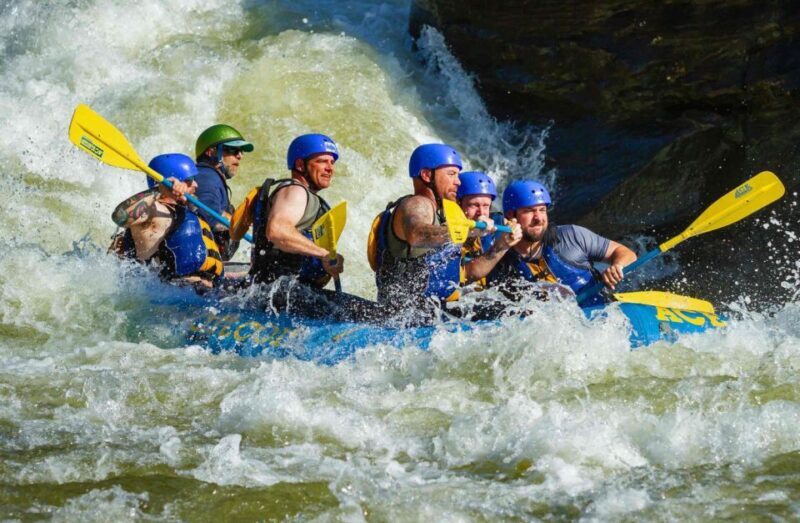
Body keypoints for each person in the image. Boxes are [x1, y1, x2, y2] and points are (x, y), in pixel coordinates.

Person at [486, 180, 637, 305]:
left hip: (601, 316)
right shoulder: (500, 259)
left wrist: (617, 266)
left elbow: (625, 253)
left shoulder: (572, 236)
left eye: (542, 210)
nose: (538, 218)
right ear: (510, 215)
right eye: (529, 211)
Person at [230, 133, 343, 288]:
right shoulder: (295, 191)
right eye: (322, 161)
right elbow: (277, 231)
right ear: (300, 165)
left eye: (332, 162)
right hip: (280, 291)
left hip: (285, 289)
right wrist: (323, 254)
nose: (330, 168)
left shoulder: (303, 194)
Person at [367, 143, 464, 313]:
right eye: (451, 174)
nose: (458, 182)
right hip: (404, 317)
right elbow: (416, 234)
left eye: (458, 175)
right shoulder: (417, 204)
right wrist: (465, 232)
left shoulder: (436, 212)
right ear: (427, 175)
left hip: (424, 315)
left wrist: (501, 245)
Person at [110, 153, 223, 289]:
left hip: (204, 290)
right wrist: (161, 189)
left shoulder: (186, 211)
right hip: (175, 293)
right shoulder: (153, 211)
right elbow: (120, 216)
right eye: (190, 180)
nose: (196, 184)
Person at [194, 124, 254, 260]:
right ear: (212, 152)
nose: (240, 156)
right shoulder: (207, 178)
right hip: (200, 261)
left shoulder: (208, 175)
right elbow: (209, 217)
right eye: (233, 150)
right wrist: (242, 222)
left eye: (241, 151)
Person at [456, 171, 522, 288]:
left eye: (486, 206)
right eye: (473, 205)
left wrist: (516, 231)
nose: (481, 212)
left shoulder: (500, 223)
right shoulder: (444, 229)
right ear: (458, 204)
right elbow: (464, 276)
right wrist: (501, 246)